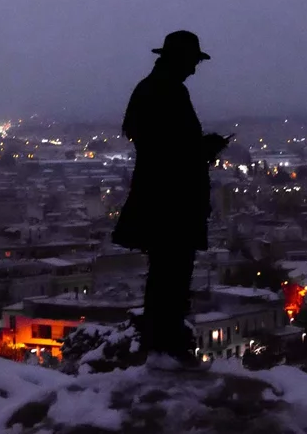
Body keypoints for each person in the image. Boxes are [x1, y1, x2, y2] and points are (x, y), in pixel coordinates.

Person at [113, 30, 231, 366]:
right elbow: (171, 148)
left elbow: (153, 142)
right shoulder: (169, 91)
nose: (194, 69)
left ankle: (161, 340)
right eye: (193, 61)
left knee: (165, 272)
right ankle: (166, 342)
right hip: (172, 200)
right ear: (180, 60)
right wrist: (204, 148)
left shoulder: (148, 89)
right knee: (172, 273)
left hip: (157, 196)